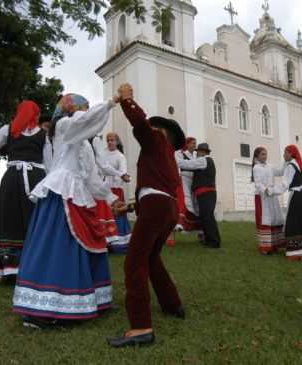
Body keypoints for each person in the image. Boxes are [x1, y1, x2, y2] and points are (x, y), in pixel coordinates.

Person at [12, 94, 123, 328]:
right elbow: (83, 121)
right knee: (58, 247)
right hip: (60, 196)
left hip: (78, 195)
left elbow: (92, 178)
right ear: (72, 111)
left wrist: (112, 199)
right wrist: (111, 102)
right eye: (84, 108)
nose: (88, 113)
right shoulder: (64, 129)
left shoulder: (85, 144)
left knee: (91, 245)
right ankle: (45, 308)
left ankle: (91, 299)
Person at [107, 83, 185, 348]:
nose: (151, 128)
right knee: (151, 258)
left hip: (157, 207)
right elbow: (156, 190)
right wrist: (128, 207)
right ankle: (173, 305)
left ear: (164, 133)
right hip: (166, 208)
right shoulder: (167, 157)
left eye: (156, 126)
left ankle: (140, 327)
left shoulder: (157, 141)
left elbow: (139, 126)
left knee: (134, 262)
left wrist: (128, 101)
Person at [0, 101, 51, 282]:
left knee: (10, 220)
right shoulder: (42, 135)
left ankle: (9, 268)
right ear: (36, 115)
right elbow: (50, 164)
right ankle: (28, 267)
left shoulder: (10, 130)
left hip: (14, 180)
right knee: (31, 220)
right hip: (35, 181)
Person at [268, 145, 302, 260]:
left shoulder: (291, 166)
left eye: (285, 153)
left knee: (295, 224)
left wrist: (270, 191)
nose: (283, 155)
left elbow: (284, 185)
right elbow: (282, 171)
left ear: (291, 154)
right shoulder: (297, 163)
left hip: (297, 196)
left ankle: (298, 252)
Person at [94, 133, 132, 253]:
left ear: (117, 142)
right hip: (102, 188)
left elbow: (123, 172)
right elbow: (99, 168)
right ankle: (105, 242)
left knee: (117, 215)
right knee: (103, 215)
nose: (110, 142)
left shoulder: (120, 156)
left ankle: (119, 244)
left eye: (112, 140)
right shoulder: (102, 153)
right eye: (108, 140)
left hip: (115, 188)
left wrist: (118, 175)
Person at [252, 147, 285, 254]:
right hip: (262, 196)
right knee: (265, 219)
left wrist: (286, 161)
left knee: (274, 218)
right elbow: (257, 183)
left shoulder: (270, 166)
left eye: (265, 154)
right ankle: (265, 247)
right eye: (262, 154)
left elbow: (281, 172)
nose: (265, 156)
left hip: (271, 194)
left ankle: (275, 244)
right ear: (257, 156)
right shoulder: (256, 167)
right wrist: (265, 190)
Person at [192, 143, 221, 249]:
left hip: (206, 193)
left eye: (198, 151)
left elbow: (188, 164)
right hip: (206, 193)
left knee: (208, 217)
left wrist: (175, 161)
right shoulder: (206, 160)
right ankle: (209, 240)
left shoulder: (203, 160)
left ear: (203, 151)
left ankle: (214, 241)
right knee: (205, 217)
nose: (196, 154)